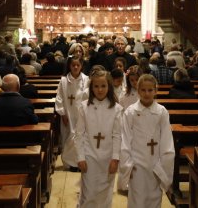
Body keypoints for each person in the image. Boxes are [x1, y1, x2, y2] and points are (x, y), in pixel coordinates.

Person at [119, 74, 175, 208]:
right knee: (137, 200)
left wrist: (163, 166)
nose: (147, 93)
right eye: (143, 90)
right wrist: (128, 164)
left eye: (150, 90)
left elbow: (167, 141)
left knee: (154, 199)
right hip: (136, 165)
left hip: (155, 165)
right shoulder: (130, 112)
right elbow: (125, 139)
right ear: (138, 91)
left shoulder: (162, 112)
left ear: (156, 90)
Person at [74, 70, 122, 208]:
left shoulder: (117, 109)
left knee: (105, 193)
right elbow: (79, 134)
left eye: (103, 86)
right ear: (91, 88)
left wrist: (115, 158)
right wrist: (80, 157)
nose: (100, 90)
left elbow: (117, 135)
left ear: (109, 87)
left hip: (108, 157)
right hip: (89, 156)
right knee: (89, 192)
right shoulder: (84, 107)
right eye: (96, 86)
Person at [55, 56, 89, 169]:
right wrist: (62, 113)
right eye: (73, 65)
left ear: (81, 66)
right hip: (68, 114)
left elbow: (88, 97)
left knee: (80, 137)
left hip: (81, 114)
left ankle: (79, 161)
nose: (75, 67)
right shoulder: (64, 81)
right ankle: (69, 163)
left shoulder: (86, 80)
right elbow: (59, 98)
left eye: (78, 65)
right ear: (69, 66)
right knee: (68, 137)